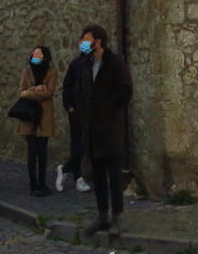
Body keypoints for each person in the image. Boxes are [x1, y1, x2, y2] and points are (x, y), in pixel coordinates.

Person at [74, 23, 133, 237]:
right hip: (92, 130)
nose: (83, 43)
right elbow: (78, 90)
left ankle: (118, 216)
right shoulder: (85, 64)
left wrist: (105, 107)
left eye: (86, 39)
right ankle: (102, 216)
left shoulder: (115, 63)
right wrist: (83, 111)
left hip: (110, 128)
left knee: (114, 176)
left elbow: (126, 90)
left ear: (97, 42)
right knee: (97, 175)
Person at [17, 45, 56, 197]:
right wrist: (37, 89)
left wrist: (30, 91)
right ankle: (33, 185)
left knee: (43, 153)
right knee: (32, 153)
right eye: (33, 53)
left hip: (44, 117)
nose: (35, 55)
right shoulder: (26, 72)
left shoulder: (52, 72)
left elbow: (49, 93)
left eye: (38, 54)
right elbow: (22, 93)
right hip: (29, 117)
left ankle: (42, 183)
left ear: (45, 56)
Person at [56, 49, 91, 193]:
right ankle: (78, 178)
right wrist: (69, 107)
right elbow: (67, 86)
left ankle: (64, 169)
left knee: (89, 142)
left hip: (90, 112)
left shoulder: (95, 65)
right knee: (76, 143)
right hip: (76, 111)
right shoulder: (75, 64)